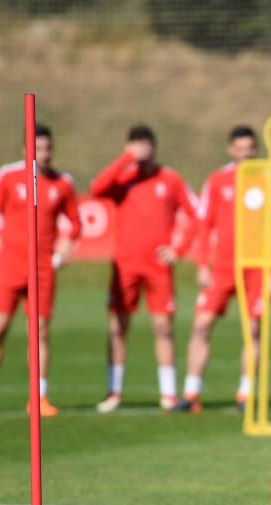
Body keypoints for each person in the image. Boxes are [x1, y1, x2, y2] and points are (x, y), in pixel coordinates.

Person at [0, 125, 82, 417]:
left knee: (39, 331)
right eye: (39, 148)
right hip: (9, 265)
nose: (45, 154)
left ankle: (38, 396)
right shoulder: (8, 176)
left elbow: (75, 223)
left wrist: (66, 247)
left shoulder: (62, 183)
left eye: (49, 148)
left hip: (42, 269)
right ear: (26, 150)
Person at [90, 125, 199, 412]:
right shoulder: (124, 178)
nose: (141, 150)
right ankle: (114, 391)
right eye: (135, 144)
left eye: (145, 144)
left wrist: (178, 249)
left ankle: (168, 393)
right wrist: (124, 158)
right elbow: (96, 188)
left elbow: (195, 213)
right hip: (124, 266)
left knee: (163, 326)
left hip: (158, 267)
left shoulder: (171, 179)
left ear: (154, 146)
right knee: (118, 327)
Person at [173, 125, 265, 413]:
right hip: (223, 265)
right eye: (240, 148)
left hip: (259, 266)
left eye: (250, 148)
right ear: (230, 150)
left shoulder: (269, 180)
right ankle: (191, 392)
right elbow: (203, 224)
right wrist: (203, 264)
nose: (245, 153)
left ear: (256, 149)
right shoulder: (217, 180)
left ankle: (245, 393)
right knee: (201, 325)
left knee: (253, 330)